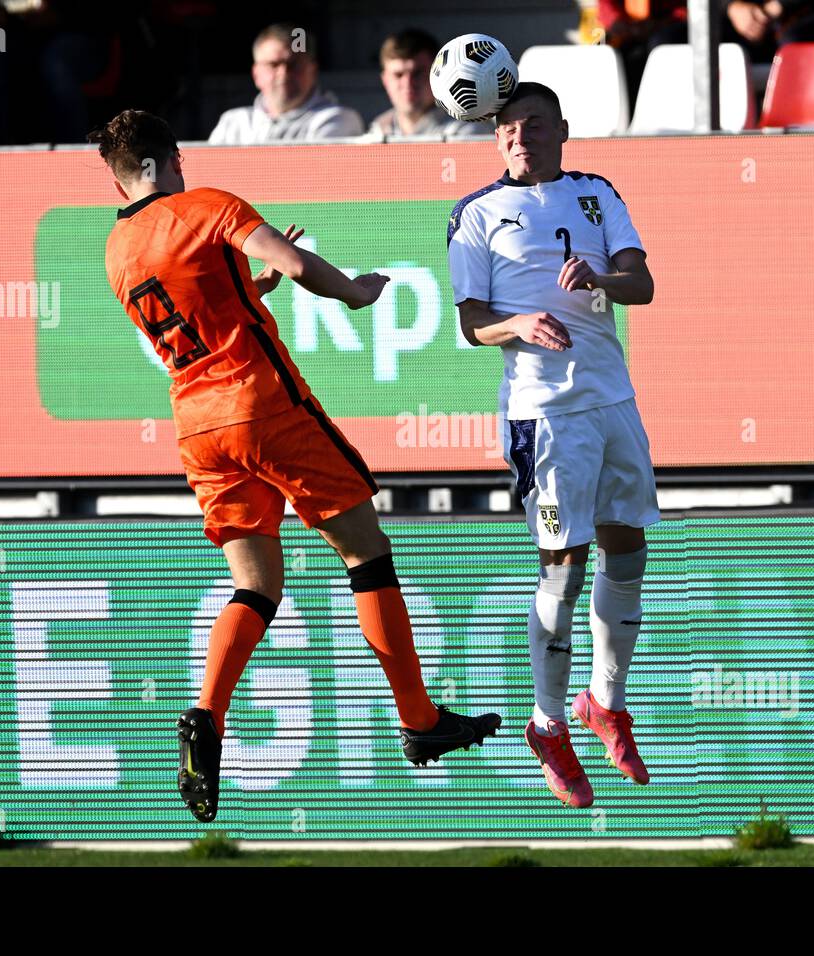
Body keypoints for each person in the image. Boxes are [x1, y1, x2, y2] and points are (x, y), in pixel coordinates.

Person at [90, 109, 500, 823]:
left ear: (118, 176)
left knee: (255, 584)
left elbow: (202, 309)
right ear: (167, 162)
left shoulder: (117, 248)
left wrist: (254, 293)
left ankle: (207, 715)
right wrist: (355, 291)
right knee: (365, 552)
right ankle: (417, 717)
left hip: (197, 426)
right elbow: (297, 263)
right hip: (260, 404)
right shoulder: (209, 205)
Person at [447, 82, 658, 808]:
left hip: (613, 397)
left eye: (533, 123)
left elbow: (643, 284)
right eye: (506, 127)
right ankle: (546, 723)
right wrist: (521, 323)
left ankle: (604, 702)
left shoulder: (597, 192)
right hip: (545, 411)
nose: (518, 136)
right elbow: (472, 323)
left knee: (626, 544)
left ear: (561, 130)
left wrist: (601, 276)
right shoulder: (476, 214)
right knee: (563, 566)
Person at [209, 23, 363, 144]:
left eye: (293, 64)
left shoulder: (337, 119)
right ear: (256, 73)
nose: (283, 73)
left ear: (313, 70)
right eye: (273, 65)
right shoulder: (234, 122)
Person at [368, 28, 479, 140]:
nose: (408, 83)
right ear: (385, 80)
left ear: (438, 76)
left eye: (418, 73)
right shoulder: (378, 130)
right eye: (398, 75)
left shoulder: (466, 130)